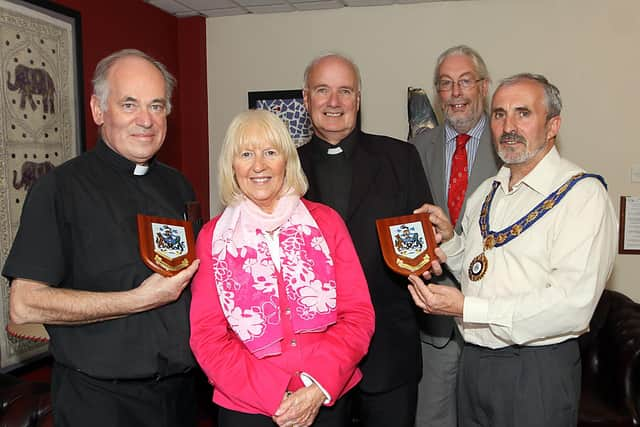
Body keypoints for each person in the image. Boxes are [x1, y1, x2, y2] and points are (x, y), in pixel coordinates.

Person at [2, 49, 201, 427]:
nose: (146, 120)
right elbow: (25, 305)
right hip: (100, 402)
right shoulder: (59, 190)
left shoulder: (178, 185)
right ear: (98, 110)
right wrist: (136, 300)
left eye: (157, 106)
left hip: (180, 399)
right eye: (130, 104)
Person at [408, 73, 617, 427]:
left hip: (536, 369)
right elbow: (479, 272)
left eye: (523, 113)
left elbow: (572, 306)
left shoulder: (582, 195)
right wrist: (452, 243)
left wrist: (466, 307)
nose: (508, 126)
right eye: (499, 114)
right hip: (474, 365)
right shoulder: (486, 193)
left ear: (553, 125)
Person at [189, 109, 374, 427]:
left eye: (270, 153)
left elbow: (357, 316)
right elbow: (207, 337)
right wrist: (273, 394)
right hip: (248, 408)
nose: (258, 166)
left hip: (326, 399)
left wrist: (316, 386)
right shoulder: (212, 238)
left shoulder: (326, 222)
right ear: (232, 166)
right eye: (246, 154)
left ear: (286, 161)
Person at [297, 54, 432, 427]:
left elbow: (422, 245)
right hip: (312, 360)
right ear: (306, 99)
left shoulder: (400, 158)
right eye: (323, 90)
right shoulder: (283, 168)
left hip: (389, 353)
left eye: (345, 91)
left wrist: (432, 260)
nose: (334, 102)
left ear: (358, 99)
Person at [410, 45, 500, 427]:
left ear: (484, 86)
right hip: (434, 324)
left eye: (465, 81)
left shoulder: (509, 146)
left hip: (494, 321)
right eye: (445, 84)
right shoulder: (415, 149)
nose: (456, 93)